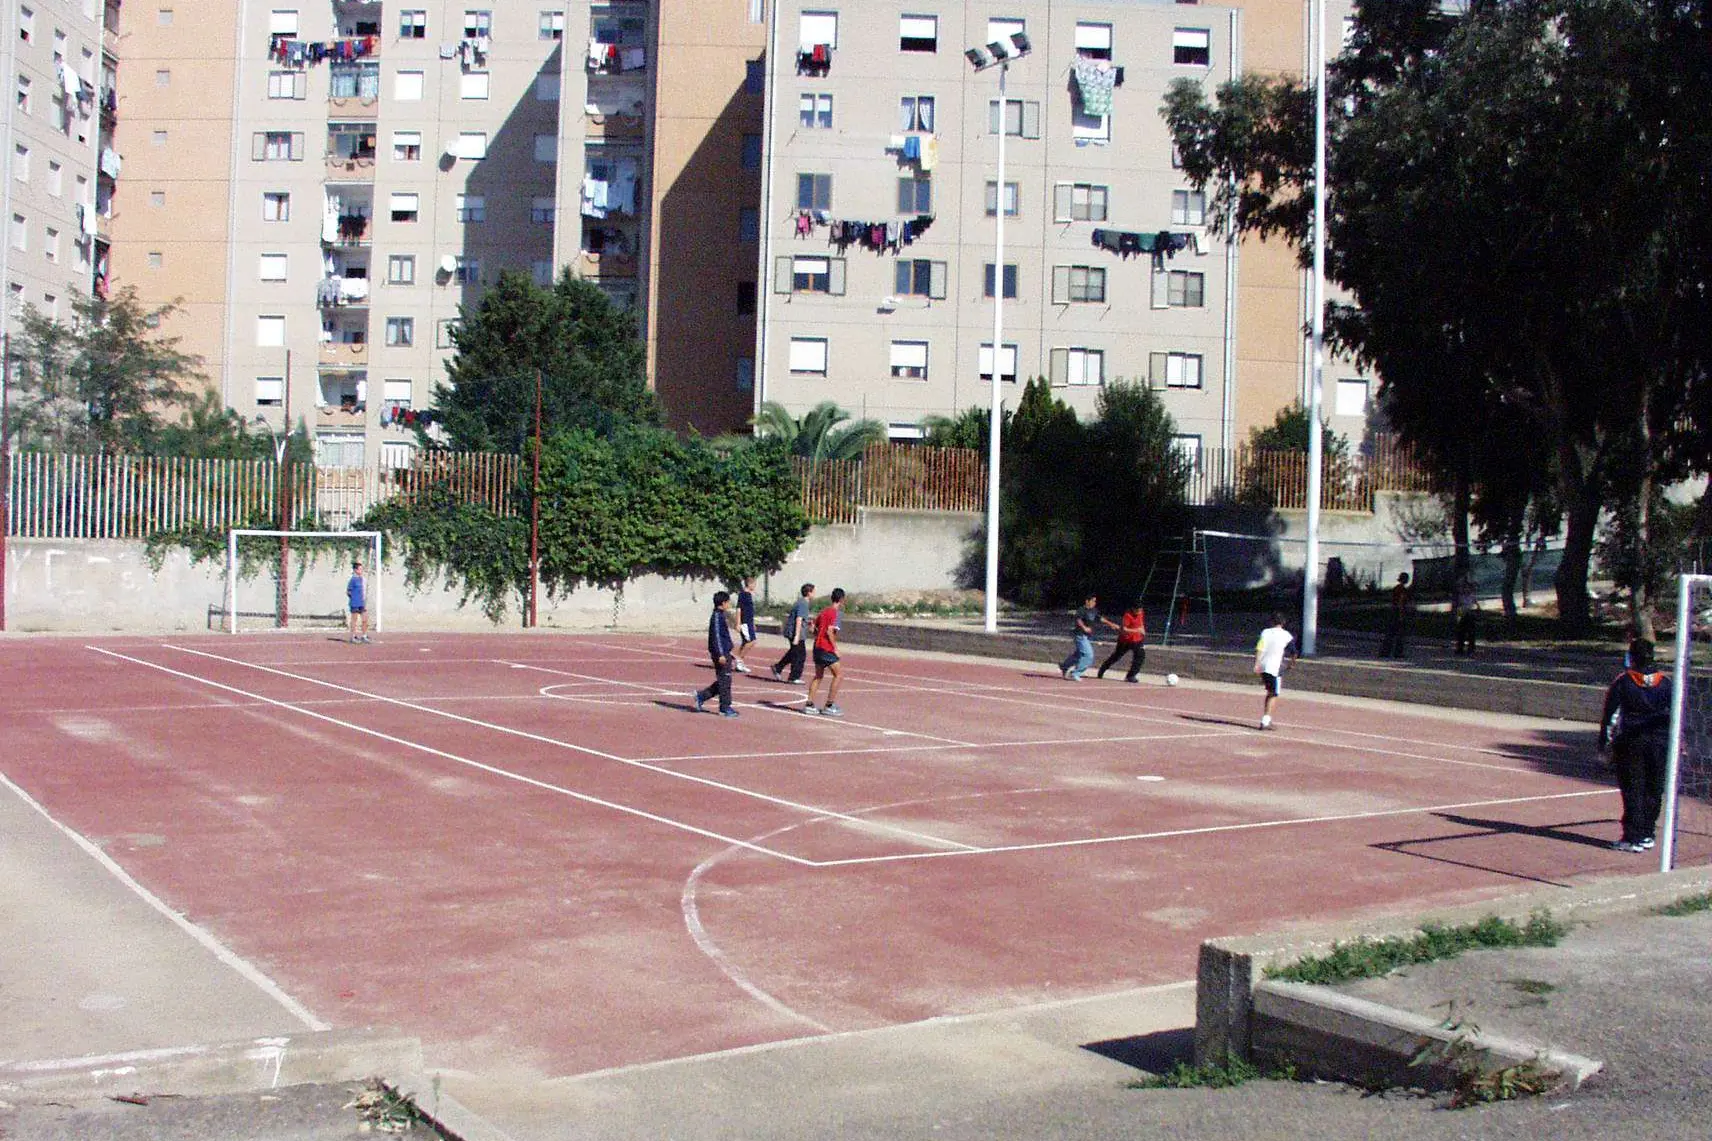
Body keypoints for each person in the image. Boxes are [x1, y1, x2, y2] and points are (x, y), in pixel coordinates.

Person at [1599, 638, 1673, 852]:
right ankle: (1648, 833)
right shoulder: (1666, 683)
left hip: (1632, 741)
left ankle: (1633, 836)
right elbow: (1675, 715)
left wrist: (1603, 745)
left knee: (1633, 788)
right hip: (1659, 742)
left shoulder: (1624, 682)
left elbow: (1610, 715)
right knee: (1653, 787)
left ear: (1632, 657)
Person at [693, 591, 740, 718]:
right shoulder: (717, 617)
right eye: (728, 602)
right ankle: (725, 708)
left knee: (724, 680)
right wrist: (720, 654)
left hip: (725, 651)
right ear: (723, 603)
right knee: (725, 680)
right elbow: (717, 637)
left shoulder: (720, 615)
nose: (729, 604)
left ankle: (701, 696)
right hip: (720, 653)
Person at [805, 587, 845, 717]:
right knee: (838, 675)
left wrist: (812, 626)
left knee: (818, 676)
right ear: (842, 600)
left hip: (817, 647)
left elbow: (813, 630)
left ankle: (809, 704)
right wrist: (835, 649)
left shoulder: (823, 612)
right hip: (826, 648)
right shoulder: (836, 613)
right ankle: (829, 704)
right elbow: (829, 631)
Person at [1254, 612, 1295, 730]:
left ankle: (1267, 718)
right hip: (1275, 668)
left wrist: (1257, 663)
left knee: (1270, 692)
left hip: (1264, 666)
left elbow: (1260, 648)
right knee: (1274, 694)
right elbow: (1294, 652)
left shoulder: (1265, 632)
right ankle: (1266, 721)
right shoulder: (1286, 635)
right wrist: (1292, 664)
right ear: (1283, 623)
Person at [772, 582, 815, 685]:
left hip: (794, 632)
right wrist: (796, 636)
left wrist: (808, 623)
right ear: (809, 593)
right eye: (813, 592)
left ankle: (778, 667)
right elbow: (798, 619)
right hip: (796, 633)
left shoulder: (801, 602)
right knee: (800, 655)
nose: (814, 594)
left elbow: (801, 618)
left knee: (793, 652)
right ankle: (794, 677)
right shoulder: (803, 603)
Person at [1097, 599, 1147, 682]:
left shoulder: (1141, 613)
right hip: (1125, 640)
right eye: (1137, 610)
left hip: (1137, 639)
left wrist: (1142, 630)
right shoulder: (1127, 615)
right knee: (1116, 656)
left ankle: (1131, 676)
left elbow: (1141, 623)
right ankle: (1103, 668)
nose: (1139, 611)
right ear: (1133, 609)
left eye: (1140, 610)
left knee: (1140, 656)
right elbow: (1124, 629)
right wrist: (1137, 630)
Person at [1059, 593, 1100, 681]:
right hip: (1079, 635)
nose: (1094, 603)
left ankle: (1065, 666)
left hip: (1087, 637)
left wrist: (1112, 624)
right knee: (1088, 655)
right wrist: (1084, 627)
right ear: (1087, 601)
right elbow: (1078, 619)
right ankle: (1075, 673)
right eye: (1093, 601)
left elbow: (1100, 618)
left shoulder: (1094, 610)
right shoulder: (1081, 610)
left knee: (1079, 655)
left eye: (1095, 601)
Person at [1378, 573, 1412, 658]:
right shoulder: (1402, 589)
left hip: (1392, 612)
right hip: (1398, 614)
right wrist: (1401, 615)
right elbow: (1401, 602)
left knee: (1390, 634)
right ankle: (1398, 652)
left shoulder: (1396, 588)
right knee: (1399, 635)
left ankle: (1385, 652)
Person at [733, 577, 758, 673]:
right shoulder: (743, 594)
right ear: (750, 584)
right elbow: (739, 609)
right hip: (745, 622)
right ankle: (739, 659)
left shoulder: (749, 595)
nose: (755, 586)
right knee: (751, 641)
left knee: (745, 642)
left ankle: (739, 663)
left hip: (749, 622)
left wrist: (753, 622)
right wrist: (738, 623)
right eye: (754, 584)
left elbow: (750, 611)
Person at [1453, 573, 1480, 656]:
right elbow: (1458, 606)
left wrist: (1477, 610)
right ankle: (1460, 648)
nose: (1466, 589)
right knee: (1461, 632)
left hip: (1470, 615)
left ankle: (1471, 649)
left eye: (1468, 588)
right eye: (1464, 588)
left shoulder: (1472, 596)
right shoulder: (1460, 597)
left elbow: (1476, 606)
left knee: (1471, 633)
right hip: (1462, 614)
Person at [346, 561, 370, 643]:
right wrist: (354, 598)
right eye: (359, 569)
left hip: (361, 603)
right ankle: (352, 637)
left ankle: (364, 636)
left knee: (365, 619)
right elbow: (348, 591)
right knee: (354, 620)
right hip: (355, 603)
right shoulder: (353, 580)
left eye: (361, 569)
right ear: (355, 570)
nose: (361, 571)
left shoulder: (362, 579)